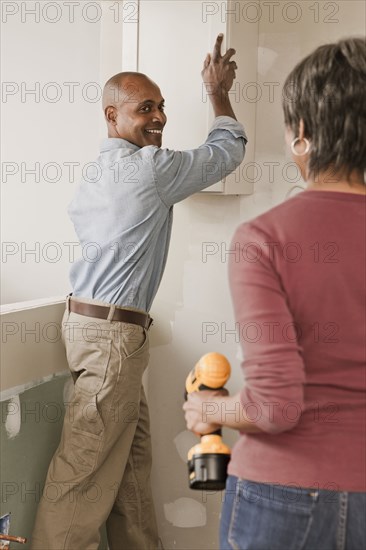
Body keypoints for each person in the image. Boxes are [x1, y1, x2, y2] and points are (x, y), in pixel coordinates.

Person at [30, 34, 247, 550]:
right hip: (112, 340)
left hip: (98, 332)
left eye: (162, 106)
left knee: (129, 468)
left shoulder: (96, 172)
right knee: (81, 474)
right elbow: (226, 152)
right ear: (112, 115)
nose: (159, 117)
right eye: (144, 108)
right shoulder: (149, 169)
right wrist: (218, 95)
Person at [184, 37, 366, 550]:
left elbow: (275, 408)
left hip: (285, 493)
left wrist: (207, 411)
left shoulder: (265, 239)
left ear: (302, 133)